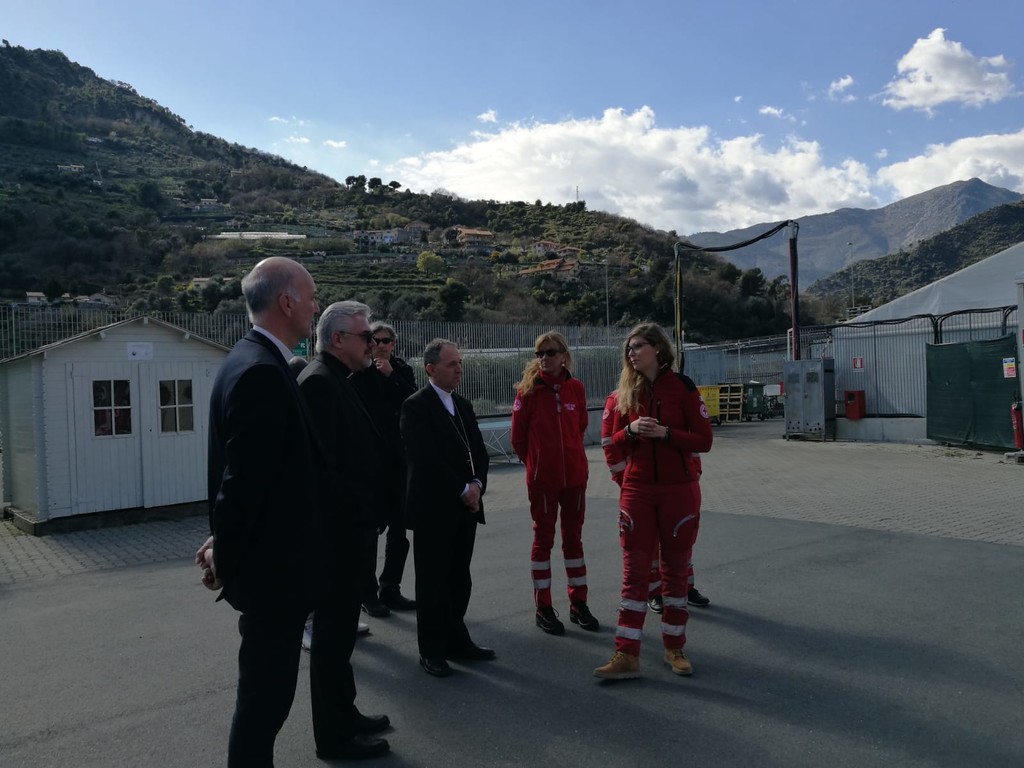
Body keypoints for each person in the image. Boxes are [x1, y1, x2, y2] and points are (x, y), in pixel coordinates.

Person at [195, 257, 386, 765]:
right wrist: (223, 555)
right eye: (311, 296)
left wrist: (220, 543)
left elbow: (256, 474)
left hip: (274, 572)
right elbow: (243, 484)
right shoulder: (262, 372)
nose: (316, 306)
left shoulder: (252, 359)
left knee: (265, 704)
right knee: (263, 707)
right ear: (285, 302)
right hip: (274, 578)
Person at [295, 300, 391, 759]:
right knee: (332, 640)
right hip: (337, 539)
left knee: (340, 637)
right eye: (365, 337)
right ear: (337, 339)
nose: (372, 345)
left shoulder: (339, 379)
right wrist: (362, 509)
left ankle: (346, 714)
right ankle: (334, 738)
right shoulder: (319, 383)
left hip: (350, 534)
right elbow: (324, 473)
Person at [594, 322, 713, 681]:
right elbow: (611, 442)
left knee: (675, 571)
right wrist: (629, 431)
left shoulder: (683, 387)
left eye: (638, 346)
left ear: (658, 349)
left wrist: (666, 434)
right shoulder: (623, 393)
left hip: (679, 490)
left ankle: (674, 648)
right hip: (638, 490)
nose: (631, 353)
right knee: (634, 573)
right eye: (629, 348)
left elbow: (704, 440)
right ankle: (626, 653)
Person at [400, 338, 493, 677]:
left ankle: (456, 639)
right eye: (452, 364)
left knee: (458, 578)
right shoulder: (416, 406)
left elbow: (479, 452)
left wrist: (477, 484)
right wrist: (461, 489)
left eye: (460, 363)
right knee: (432, 582)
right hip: (434, 509)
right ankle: (432, 650)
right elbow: (425, 458)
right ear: (431, 369)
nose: (459, 370)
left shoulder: (463, 404)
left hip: (466, 507)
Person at [510, 331, 598, 635]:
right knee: (543, 541)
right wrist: (537, 466)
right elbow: (518, 439)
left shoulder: (576, 388)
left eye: (550, 352)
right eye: (539, 353)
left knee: (574, 541)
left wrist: (573, 462)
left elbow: (580, 427)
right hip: (543, 482)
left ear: (563, 356)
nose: (544, 358)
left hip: (575, 479)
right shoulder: (527, 391)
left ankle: (579, 603)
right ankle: (544, 607)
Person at [352, 321, 418, 617]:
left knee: (399, 529)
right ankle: (367, 593)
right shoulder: (358, 372)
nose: (379, 345)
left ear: (393, 344)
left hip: (399, 458)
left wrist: (391, 375)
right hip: (370, 460)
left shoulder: (402, 370)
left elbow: (414, 400)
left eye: (385, 340)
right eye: (374, 339)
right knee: (369, 531)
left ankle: (390, 587)